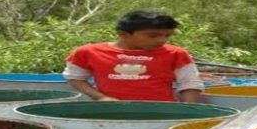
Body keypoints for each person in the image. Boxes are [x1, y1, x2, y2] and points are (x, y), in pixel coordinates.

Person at [63, 10, 204, 102]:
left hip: (161, 111)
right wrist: (101, 97)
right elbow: (75, 78)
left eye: (167, 35)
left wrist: (187, 111)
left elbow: (190, 84)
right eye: (153, 35)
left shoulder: (176, 54)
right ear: (124, 34)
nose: (162, 40)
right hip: (110, 112)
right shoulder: (88, 52)